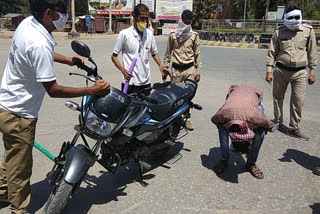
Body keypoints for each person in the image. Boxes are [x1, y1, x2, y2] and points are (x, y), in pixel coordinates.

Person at [0, 0, 110, 213]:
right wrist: (92, 90)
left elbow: (40, 53)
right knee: (21, 168)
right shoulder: (38, 42)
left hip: (6, 104)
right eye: (62, 12)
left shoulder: (28, 24)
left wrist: (68, 60)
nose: (65, 17)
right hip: (20, 114)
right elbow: (53, 90)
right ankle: (19, 210)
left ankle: (3, 191)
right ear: (49, 12)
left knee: (12, 156)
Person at [265, 6, 318, 141]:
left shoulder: (308, 31)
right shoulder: (279, 32)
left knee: (298, 101)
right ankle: (277, 121)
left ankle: (293, 128)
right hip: (281, 70)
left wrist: (312, 71)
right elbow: (272, 52)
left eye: (297, 17)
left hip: (300, 72)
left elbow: (312, 52)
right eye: (291, 17)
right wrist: (269, 71)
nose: (294, 20)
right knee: (277, 97)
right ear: (285, 18)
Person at [211, 85, 277, 179]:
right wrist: (223, 126)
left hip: (254, 94)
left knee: (260, 133)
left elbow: (268, 124)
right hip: (234, 95)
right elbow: (214, 119)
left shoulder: (255, 115)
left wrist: (270, 128)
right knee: (222, 128)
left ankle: (251, 163)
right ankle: (224, 159)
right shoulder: (224, 114)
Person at [111, 4, 169, 95]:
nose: (144, 21)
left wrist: (161, 66)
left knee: (145, 108)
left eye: (146, 19)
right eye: (142, 18)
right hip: (130, 83)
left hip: (146, 82)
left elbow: (154, 53)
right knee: (129, 108)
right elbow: (114, 57)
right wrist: (123, 70)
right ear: (134, 16)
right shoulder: (125, 34)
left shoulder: (149, 34)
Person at [163, 9, 202, 130]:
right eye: (185, 22)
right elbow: (168, 53)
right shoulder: (173, 36)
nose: (186, 25)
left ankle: (187, 118)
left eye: (189, 23)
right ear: (181, 20)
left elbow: (197, 54)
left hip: (189, 70)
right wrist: (165, 68)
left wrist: (198, 71)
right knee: (175, 96)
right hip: (176, 71)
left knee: (188, 96)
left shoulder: (194, 36)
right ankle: (175, 119)